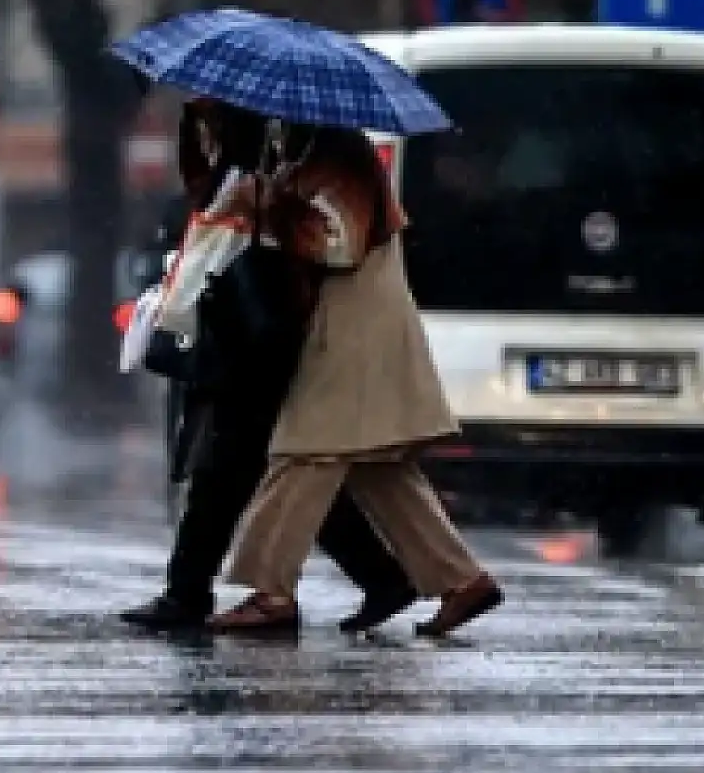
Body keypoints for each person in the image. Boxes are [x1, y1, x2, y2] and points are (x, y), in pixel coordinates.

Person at [121, 100, 418, 636]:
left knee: (232, 467)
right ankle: (377, 575)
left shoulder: (316, 152)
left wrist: (270, 203)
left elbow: (336, 244)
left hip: (266, 330)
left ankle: (192, 592)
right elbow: (206, 203)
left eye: (214, 116)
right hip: (238, 325)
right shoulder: (261, 152)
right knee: (260, 469)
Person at [207, 123, 502, 637]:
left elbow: (340, 246)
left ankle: (270, 591)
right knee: (378, 467)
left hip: (354, 328)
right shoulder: (308, 155)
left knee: (303, 452)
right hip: (351, 324)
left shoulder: (343, 158)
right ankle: (462, 580)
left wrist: (268, 205)